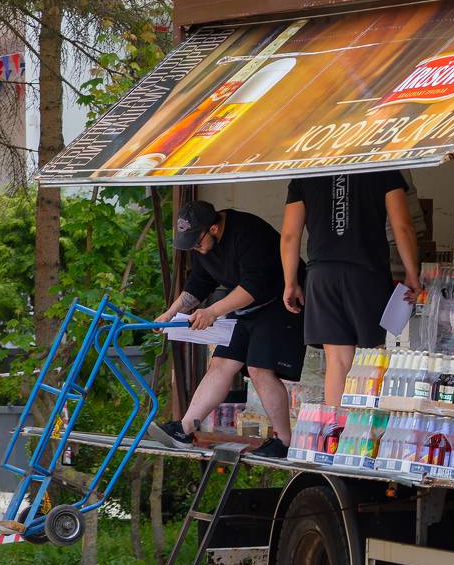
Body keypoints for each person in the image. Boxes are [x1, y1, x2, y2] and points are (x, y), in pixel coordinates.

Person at [150, 200, 304, 457]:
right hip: (244, 307)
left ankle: (284, 442)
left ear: (213, 228)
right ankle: (184, 430)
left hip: (281, 302)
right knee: (221, 362)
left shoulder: (247, 232)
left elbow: (254, 286)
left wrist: (212, 312)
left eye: (196, 243)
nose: (196, 249)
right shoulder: (202, 245)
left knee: (259, 369)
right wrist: (170, 314)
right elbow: (199, 282)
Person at [281, 169, 421, 405]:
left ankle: (337, 426)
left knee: (337, 361)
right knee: (373, 357)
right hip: (366, 274)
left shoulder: (307, 172)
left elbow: (289, 235)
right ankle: (367, 425)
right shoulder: (383, 167)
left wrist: (290, 282)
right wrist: (412, 273)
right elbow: (403, 226)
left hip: (321, 276)